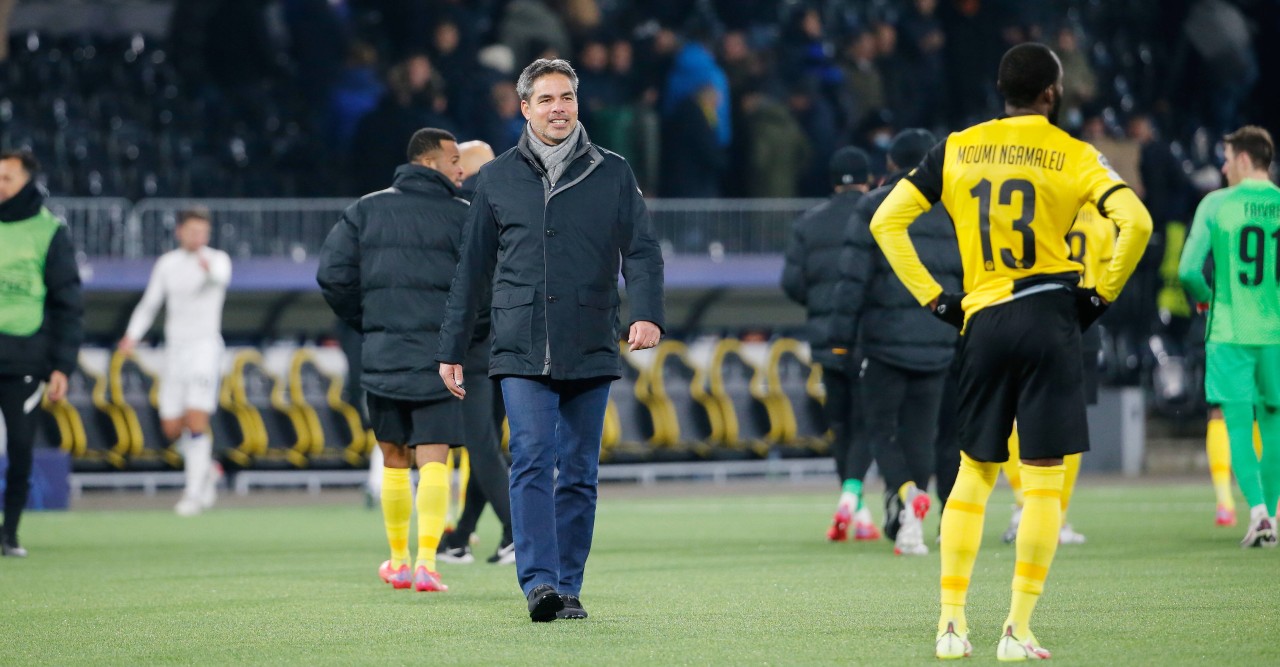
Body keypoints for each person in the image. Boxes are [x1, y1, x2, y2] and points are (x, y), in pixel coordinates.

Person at [869, 43, 1151, 659]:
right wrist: (1098, 298)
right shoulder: (1075, 154)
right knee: (1044, 485)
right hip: (1050, 316)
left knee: (973, 474)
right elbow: (1138, 223)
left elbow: (885, 222)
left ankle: (950, 625)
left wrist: (937, 301)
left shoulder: (957, 147)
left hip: (984, 317)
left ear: (1002, 91)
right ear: (1052, 93)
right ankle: (1017, 630)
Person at [436, 58, 664, 622]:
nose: (559, 107)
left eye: (567, 97)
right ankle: (539, 584)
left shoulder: (613, 171)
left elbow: (641, 250)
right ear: (525, 108)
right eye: (547, 99)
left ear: (577, 103)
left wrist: (648, 313)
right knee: (533, 458)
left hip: (589, 338)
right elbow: (472, 268)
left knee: (580, 471)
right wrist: (451, 347)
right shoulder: (496, 178)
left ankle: (569, 585)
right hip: (518, 344)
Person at [318, 127, 483, 593]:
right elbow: (487, 283)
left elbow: (331, 275)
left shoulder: (365, 210)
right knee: (434, 458)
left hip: (384, 352)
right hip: (443, 357)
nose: (460, 168)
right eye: (454, 160)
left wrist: (369, 318)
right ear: (429, 162)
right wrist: (468, 333)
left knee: (392, 456)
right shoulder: (463, 215)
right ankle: (429, 562)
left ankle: (398, 561)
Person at [839, 129, 963, 556]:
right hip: (940, 341)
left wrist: (841, 341)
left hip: (884, 344)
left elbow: (852, 280)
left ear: (890, 166)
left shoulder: (873, 205)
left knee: (881, 431)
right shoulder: (952, 211)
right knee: (925, 435)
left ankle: (910, 499)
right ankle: (931, 523)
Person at [1178, 125, 1280, 548]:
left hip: (1230, 330)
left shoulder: (1217, 204)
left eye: (1226, 158)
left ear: (1243, 159)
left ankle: (1257, 514)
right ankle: (1274, 514)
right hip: (1275, 334)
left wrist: (1205, 298)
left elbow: (1187, 269)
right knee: (1274, 424)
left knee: (1237, 424)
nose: (1222, 167)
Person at [1001, 200, 1116, 546]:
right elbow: (1112, 270)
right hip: (1081, 322)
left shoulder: (1033, 203)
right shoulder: (1098, 214)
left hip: (1028, 317)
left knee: (1012, 415)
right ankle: (1056, 517)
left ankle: (1026, 503)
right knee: (1071, 422)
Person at [782, 146, 878, 544]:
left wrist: (821, 305)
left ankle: (856, 509)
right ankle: (854, 497)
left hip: (827, 339)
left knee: (840, 424)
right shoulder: (877, 215)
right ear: (869, 179)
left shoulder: (809, 223)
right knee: (868, 422)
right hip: (869, 337)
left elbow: (792, 283)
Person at [436, 137, 517, 566]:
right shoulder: (510, 206)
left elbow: (463, 290)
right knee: (485, 443)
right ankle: (461, 536)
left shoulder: (457, 215)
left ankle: (516, 532)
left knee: (481, 445)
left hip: (475, 345)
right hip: (512, 341)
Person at [120, 207, 231, 517]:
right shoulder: (167, 264)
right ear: (179, 231)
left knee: (196, 421)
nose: (198, 237)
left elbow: (219, 279)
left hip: (204, 349)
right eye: (192, 231)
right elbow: (150, 303)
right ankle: (207, 468)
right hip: (174, 352)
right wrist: (131, 335)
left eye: (203, 232)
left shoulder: (218, 260)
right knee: (171, 427)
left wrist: (207, 268)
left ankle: (193, 493)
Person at [0, 149, 82, 557]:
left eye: (7, 178)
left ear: (27, 182)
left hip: (25, 359)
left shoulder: (50, 231)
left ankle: (9, 532)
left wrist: (62, 365)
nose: (0, 185)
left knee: (19, 447)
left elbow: (67, 302)